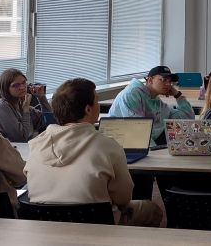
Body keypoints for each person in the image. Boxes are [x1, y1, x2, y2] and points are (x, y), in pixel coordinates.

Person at [24, 78, 162, 227]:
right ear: (88, 109)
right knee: (152, 210)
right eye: (97, 100)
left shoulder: (36, 145)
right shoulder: (108, 146)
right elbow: (123, 198)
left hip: (44, 226)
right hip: (97, 226)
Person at [108, 65, 194, 146]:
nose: (168, 84)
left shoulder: (155, 100)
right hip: (122, 144)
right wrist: (156, 153)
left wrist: (178, 95)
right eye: (163, 80)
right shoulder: (132, 95)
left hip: (146, 140)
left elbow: (187, 118)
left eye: (170, 81)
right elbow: (138, 130)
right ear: (150, 80)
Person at [0, 68, 53, 142]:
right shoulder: (1, 106)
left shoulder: (19, 102)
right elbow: (22, 138)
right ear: (6, 88)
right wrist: (26, 110)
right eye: (16, 85)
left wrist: (41, 97)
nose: (22, 87)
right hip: (7, 147)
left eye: (24, 82)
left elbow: (49, 122)